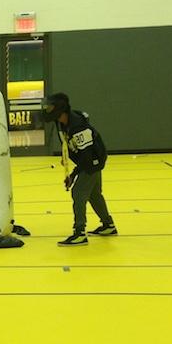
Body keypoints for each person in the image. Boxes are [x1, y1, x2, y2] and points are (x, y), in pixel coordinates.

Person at [43, 92, 117, 246]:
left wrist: (73, 175)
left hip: (92, 161)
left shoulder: (78, 126)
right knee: (94, 194)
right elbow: (68, 143)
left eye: (50, 107)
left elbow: (86, 159)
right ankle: (108, 225)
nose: (47, 110)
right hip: (88, 159)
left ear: (59, 109)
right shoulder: (61, 122)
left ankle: (79, 233)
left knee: (78, 192)